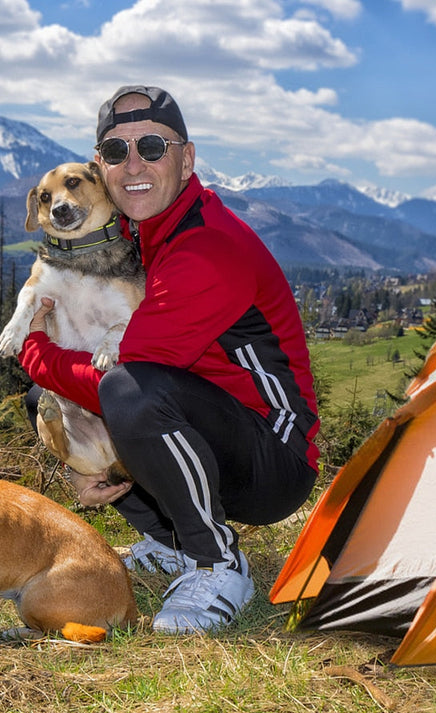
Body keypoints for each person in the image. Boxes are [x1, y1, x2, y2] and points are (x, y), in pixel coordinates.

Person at [19, 85, 319, 634]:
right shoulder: (142, 230)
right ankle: (173, 543)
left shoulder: (207, 245)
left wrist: (34, 348)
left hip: (272, 458)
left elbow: (121, 375)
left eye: (153, 147)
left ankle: (217, 563)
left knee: (127, 391)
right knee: (50, 400)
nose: (134, 164)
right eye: (115, 152)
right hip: (205, 432)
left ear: (187, 158)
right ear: (101, 168)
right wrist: (78, 454)